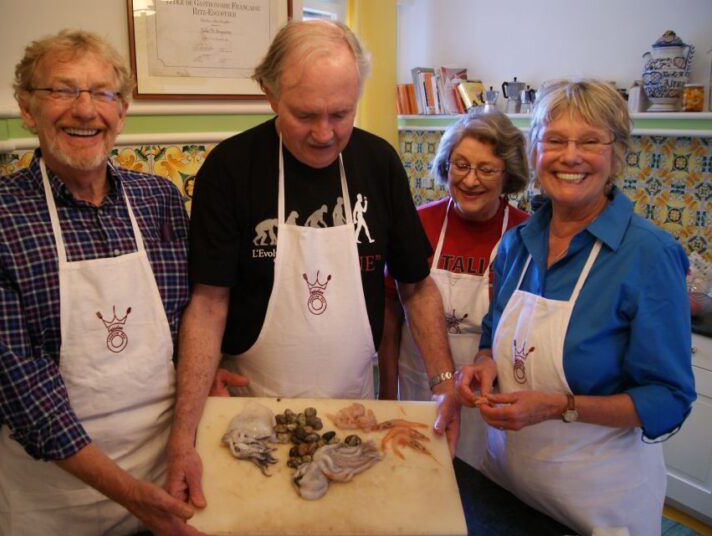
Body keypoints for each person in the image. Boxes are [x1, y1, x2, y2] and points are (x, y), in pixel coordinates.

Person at [166, 19, 459, 511]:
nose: (325, 134)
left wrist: (443, 383)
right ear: (270, 93)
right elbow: (209, 304)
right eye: (305, 115)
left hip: (353, 413)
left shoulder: (379, 162)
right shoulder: (231, 168)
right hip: (250, 413)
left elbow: (416, 287)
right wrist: (183, 435)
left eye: (341, 114)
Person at [0, 30, 202, 535]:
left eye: (103, 93)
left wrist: (204, 382)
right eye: (62, 90)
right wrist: (132, 496)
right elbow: (20, 389)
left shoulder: (159, 199)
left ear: (121, 111)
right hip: (53, 499)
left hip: (168, 475)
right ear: (26, 107)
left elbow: (189, 318)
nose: (86, 110)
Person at [456, 79, 696, 535]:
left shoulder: (647, 255)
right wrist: (484, 364)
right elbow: (493, 333)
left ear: (616, 154)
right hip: (508, 483)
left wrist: (560, 406)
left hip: (599, 503)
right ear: (534, 151)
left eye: (589, 141)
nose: (570, 156)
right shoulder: (517, 245)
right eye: (554, 140)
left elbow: (669, 399)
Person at [378, 111, 530, 471]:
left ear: (508, 175)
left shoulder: (527, 235)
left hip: (492, 399)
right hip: (419, 387)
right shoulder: (418, 224)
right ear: (446, 166)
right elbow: (390, 315)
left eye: (486, 169)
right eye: (460, 165)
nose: (470, 180)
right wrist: (386, 394)